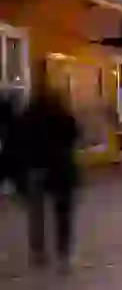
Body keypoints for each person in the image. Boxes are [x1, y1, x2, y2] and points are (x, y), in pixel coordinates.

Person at [11, 81, 80, 273]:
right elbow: (74, 137)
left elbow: (17, 144)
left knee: (36, 213)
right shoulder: (63, 115)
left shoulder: (25, 117)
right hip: (61, 169)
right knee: (63, 214)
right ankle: (63, 256)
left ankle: (38, 252)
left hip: (36, 170)